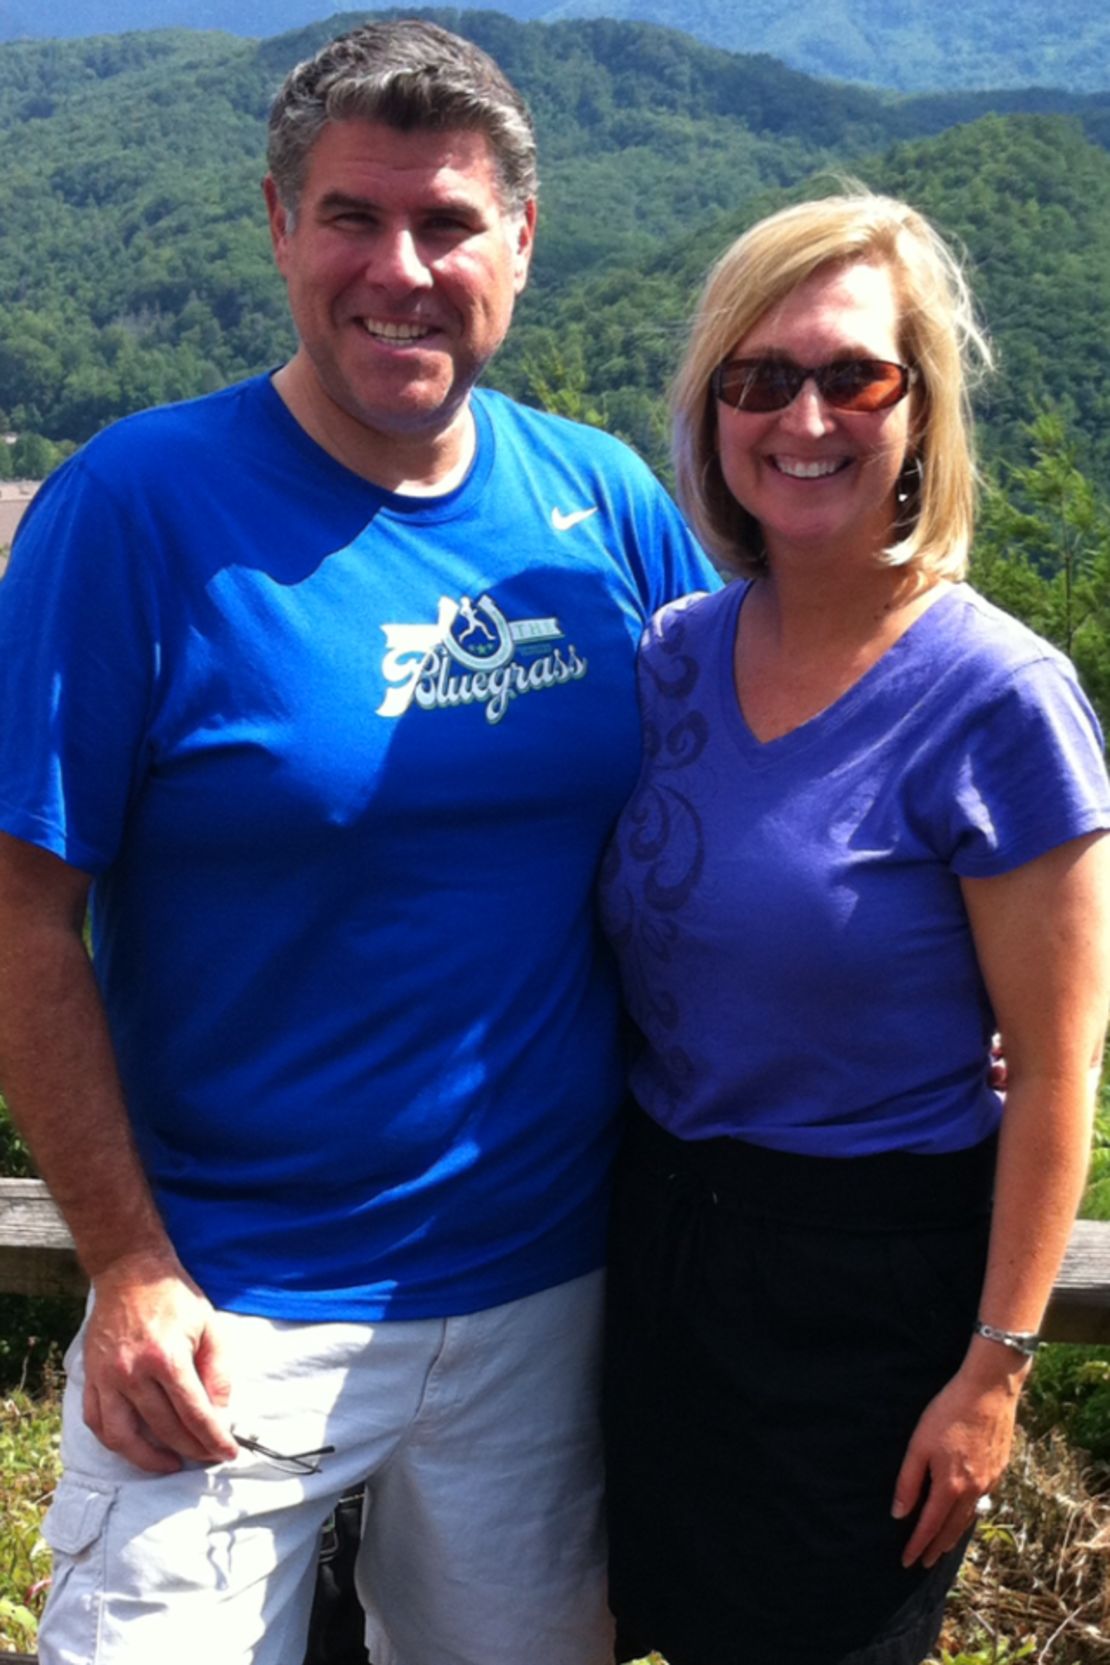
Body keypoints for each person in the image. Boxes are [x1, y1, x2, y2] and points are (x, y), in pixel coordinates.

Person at [0, 20, 714, 1665]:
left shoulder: (601, 503)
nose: (399, 269)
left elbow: (754, 792)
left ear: (521, 245)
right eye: (351, 217)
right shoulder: (137, 509)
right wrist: (123, 1259)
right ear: (276, 224)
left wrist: (931, 987)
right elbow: (25, 910)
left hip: (547, 1284)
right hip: (224, 1302)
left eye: (449, 223)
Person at [598, 192, 1110, 1665]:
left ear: (919, 409)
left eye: (852, 376)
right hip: (657, 1240)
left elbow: (1058, 1070)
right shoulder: (672, 657)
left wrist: (994, 1367)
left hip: (868, 1288)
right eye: (757, 380)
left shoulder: (998, 699)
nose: (802, 416)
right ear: (710, 414)